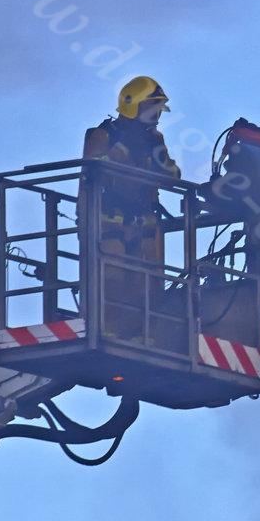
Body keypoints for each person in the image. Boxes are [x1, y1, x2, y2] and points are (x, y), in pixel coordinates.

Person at [84, 77, 182, 338]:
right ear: (132, 107)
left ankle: (144, 336)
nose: (156, 116)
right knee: (113, 279)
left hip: (145, 222)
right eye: (152, 109)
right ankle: (109, 333)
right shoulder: (103, 135)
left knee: (148, 284)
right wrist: (121, 150)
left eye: (158, 110)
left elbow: (173, 176)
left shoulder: (154, 140)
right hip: (109, 220)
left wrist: (159, 155)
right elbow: (95, 171)